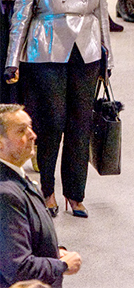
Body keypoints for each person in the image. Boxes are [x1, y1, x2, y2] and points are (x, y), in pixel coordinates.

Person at [4, 0, 113, 220]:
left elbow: (101, 11)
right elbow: (21, 15)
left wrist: (108, 55)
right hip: (46, 51)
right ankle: (47, 189)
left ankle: (75, 195)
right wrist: (13, 59)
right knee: (52, 122)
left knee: (81, 123)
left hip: (87, 50)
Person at [0, 105, 81, 288]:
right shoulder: (5, 194)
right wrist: (61, 265)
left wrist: (54, 252)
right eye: (21, 130)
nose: (32, 135)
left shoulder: (16, 177)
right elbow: (18, 269)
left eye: (30, 127)